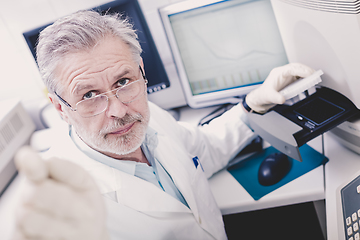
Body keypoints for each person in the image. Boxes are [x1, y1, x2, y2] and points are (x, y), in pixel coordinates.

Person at [13, 10, 314, 240]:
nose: (118, 110)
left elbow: (204, 151)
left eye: (123, 81)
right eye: (89, 95)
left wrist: (251, 106)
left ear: (141, 72)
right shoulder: (62, 205)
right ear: (61, 109)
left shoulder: (150, 115)